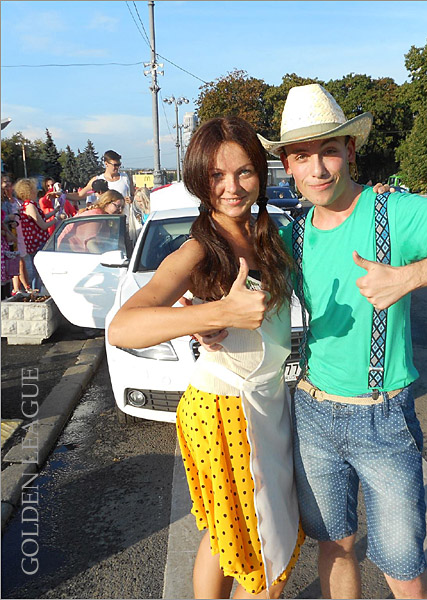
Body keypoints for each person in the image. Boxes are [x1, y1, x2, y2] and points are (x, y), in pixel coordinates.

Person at [251, 83, 427, 599]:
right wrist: (207, 318)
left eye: (329, 151)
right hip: (312, 414)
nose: (318, 169)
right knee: (334, 546)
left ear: (351, 151)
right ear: (287, 165)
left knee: (402, 565)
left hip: (383, 417)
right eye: (302, 156)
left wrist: (409, 277)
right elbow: (247, 292)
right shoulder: (293, 236)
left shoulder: (395, 213)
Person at [107, 116, 304, 599]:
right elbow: (122, 326)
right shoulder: (197, 250)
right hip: (224, 413)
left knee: (225, 535)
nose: (232, 188)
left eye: (244, 172)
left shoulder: (266, 237)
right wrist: (213, 313)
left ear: (260, 173)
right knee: (266, 547)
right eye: (217, 175)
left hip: (266, 403)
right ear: (199, 179)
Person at [15, 178, 63, 293]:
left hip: (35, 241)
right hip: (36, 242)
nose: (37, 191)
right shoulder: (30, 206)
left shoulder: (29, 204)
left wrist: (54, 211)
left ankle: (37, 291)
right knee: (39, 270)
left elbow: (41, 218)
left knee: (39, 269)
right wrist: (57, 218)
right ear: (29, 191)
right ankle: (36, 292)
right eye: (34, 189)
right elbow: (43, 225)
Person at [56, 190, 125, 253]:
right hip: (68, 252)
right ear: (106, 203)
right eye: (117, 206)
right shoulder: (96, 216)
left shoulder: (103, 216)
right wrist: (103, 260)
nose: (120, 210)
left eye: (122, 207)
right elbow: (91, 244)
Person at [1, 174, 31, 295]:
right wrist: (10, 220)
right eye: (4, 183)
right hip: (7, 235)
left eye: (9, 183)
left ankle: (21, 287)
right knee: (15, 261)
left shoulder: (16, 200)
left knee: (19, 260)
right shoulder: (3, 203)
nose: (7, 185)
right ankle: (18, 288)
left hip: (16, 233)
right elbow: (3, 219)